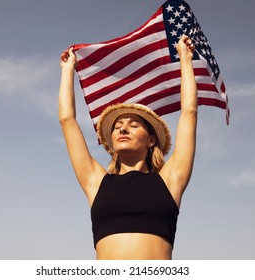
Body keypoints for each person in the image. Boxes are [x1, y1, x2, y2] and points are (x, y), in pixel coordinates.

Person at [59, 35, 197, 260]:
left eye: (133, 125)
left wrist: (185, 59)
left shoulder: (171, 180)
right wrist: (67, 70)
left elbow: (189, 113)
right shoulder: (95, 181)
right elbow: (67, 120)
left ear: (151, 140)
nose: (123, 130)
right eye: (117, 127)